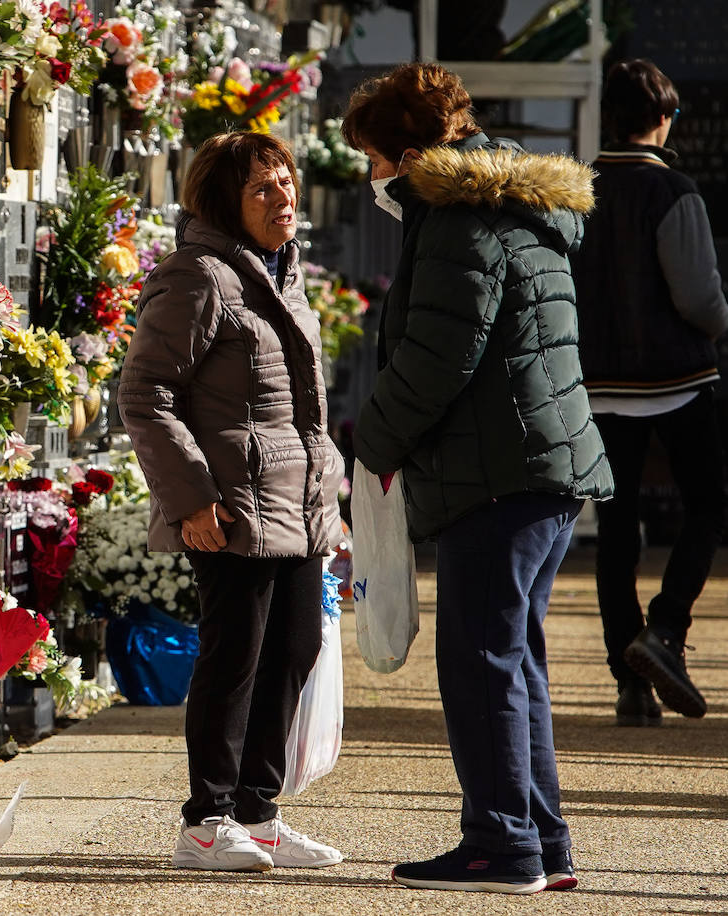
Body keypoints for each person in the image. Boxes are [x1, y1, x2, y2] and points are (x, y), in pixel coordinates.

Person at [341, 63, 614, 894]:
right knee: (513, 659)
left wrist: (371, 446)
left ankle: (502, 845)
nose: (373, 176)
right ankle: (542, 839)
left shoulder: (460, 220)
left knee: (482, 662)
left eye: (376, 158)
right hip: (543, 465)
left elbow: (437, 359)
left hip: (498, 472)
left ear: (411, 151)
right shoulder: (518, 207)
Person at [118, 131, 345, 873]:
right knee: (235, 656)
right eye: (262, 189)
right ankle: (206, 821)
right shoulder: (198, 277)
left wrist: (327, 503)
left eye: (286, 182)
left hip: (296, 502)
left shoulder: (282, 276)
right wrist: (191, 497)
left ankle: (258, 812)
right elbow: (145, 396)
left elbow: (303, 411)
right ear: (226, 204)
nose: (284, 199)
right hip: (234, 505)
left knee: (294, 650)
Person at [569, 59, 728, 727]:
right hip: (676, 378)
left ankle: (627, 681)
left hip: (600, 384)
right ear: (663, 118)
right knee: (709, 508)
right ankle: (662, 630)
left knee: (616, 532)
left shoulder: (576, 189)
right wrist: (720, 320)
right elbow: (698, 299)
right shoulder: (673, 191)